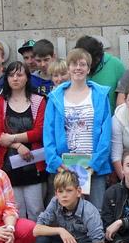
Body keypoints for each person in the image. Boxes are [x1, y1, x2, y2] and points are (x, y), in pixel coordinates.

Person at [42, 48, 112, 208]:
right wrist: (55, 162)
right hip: (64, 167)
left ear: (88, 69)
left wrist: (94, 164)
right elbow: (48, 132)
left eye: (82, 64)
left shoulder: (100, 95)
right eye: (74, 64)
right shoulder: (55, 97)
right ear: (68, 68)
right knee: (66, 214)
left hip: (93, 168)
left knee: (96, 212)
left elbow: (106, 133)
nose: (78, 68)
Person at [0, 61, 46, 220]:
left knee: (36, 210)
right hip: (8, 166)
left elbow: (39, 132)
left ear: (27, 78)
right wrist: (18, 145)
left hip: (34, 164)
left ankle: (38, 237)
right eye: (11, 75)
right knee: (15, 211)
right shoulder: (0, 102)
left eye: (19, 74)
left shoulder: (38, 101)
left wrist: (13, 137)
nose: (15, 78)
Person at [76, 35, 126, 107]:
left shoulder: (116, 65)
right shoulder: (75, 68)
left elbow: (125, 96)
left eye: (89, 61)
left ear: (97, 57)